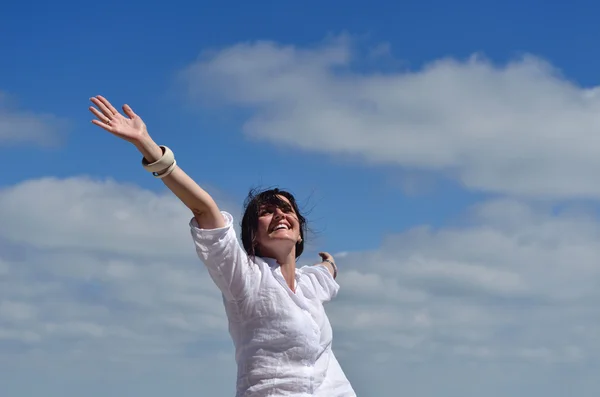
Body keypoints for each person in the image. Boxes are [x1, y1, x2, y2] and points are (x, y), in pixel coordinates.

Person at [88, 95, 356, 397]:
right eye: (267, 212)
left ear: (299, 234)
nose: (279, 213)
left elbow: (326, 272)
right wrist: (147, 145)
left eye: (286, 209)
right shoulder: (245, 278)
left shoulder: (311, 284)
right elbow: (203, 209)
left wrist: (330, 263)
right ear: (253, 236)